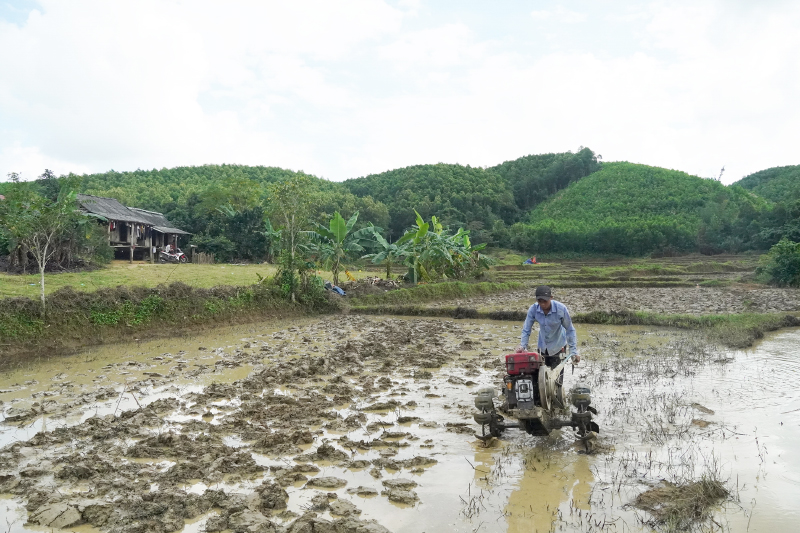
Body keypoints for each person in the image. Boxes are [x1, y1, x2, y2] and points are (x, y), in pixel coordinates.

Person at [516, 285, 580, 369]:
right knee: (541, 376)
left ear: (551, 298)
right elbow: (526, 329)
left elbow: (570, 330)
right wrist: (523, 346)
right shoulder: (533, 309)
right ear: (536, 300)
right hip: (542, 347)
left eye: (545, 301)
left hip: (558, 347)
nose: (542, 304)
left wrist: (573, 352)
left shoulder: (561, 309)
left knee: (557, 378)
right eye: (540, 301)